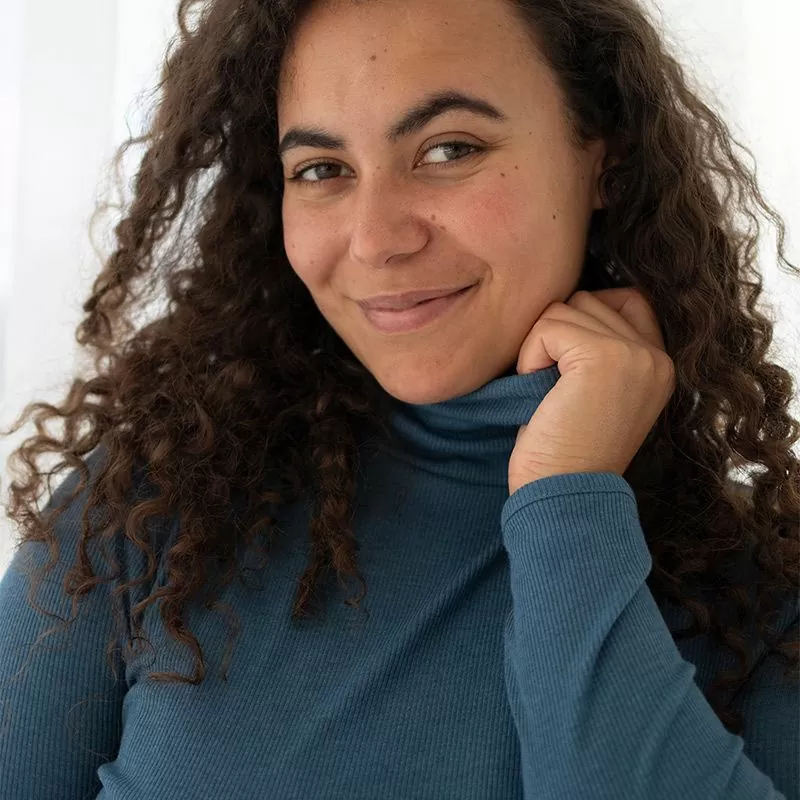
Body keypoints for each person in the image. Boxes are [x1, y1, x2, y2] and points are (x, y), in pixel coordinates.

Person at [0, 0, 798, 797]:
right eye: (323, 169)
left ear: (604, 161)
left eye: (449, 149)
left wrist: (570, 497)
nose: (377, 240)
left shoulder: (763, 596)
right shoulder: (154, 508)